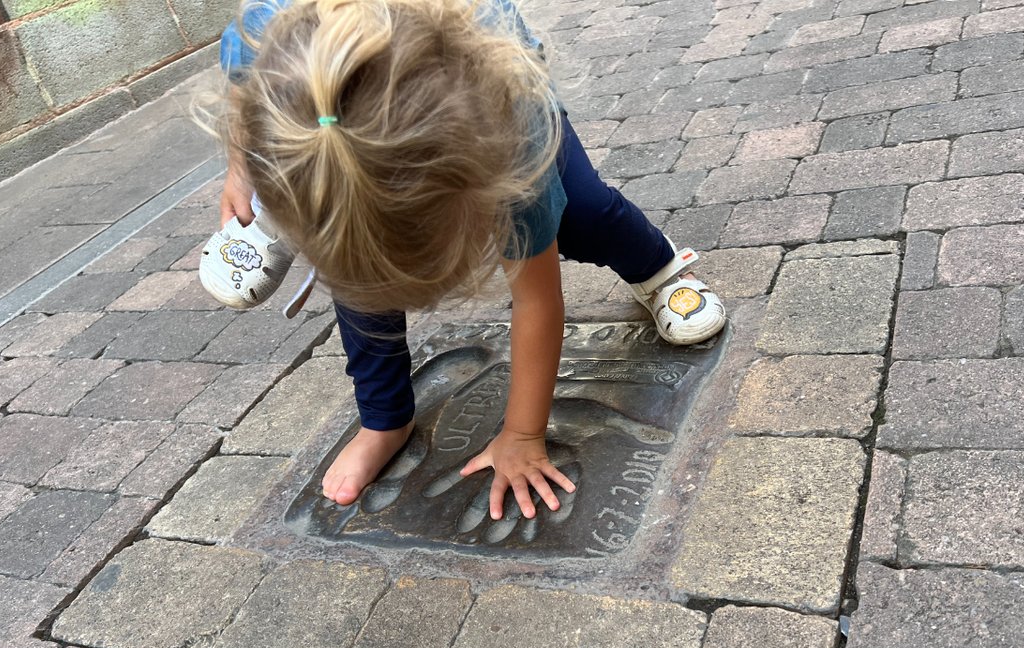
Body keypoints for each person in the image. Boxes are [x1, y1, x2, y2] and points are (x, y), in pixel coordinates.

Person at [200, 0, 727, 522]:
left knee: (583, 210)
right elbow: (245, 87)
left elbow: (537, 299)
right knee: (359, 267)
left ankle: (658, 268)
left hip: (503, 80)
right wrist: (241, 169)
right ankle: (384, 418)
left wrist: (523, 434)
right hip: (326, 119)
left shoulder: (513, 147)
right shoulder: (262, 38)